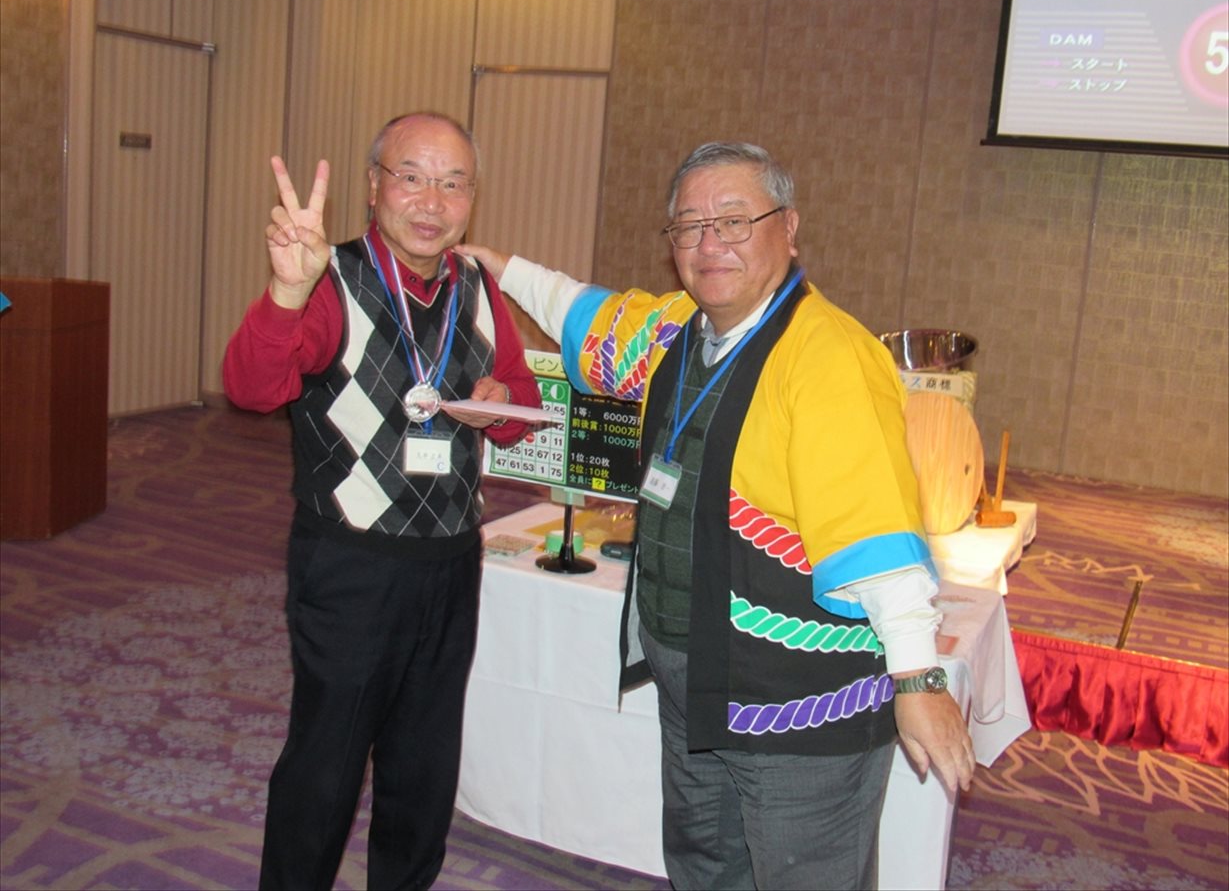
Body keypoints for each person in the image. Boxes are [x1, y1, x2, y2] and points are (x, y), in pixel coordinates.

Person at [458, 141, 976, 890]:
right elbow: (588, 313)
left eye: (733, 221)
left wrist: (918, 682)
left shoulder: (827, 356)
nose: (709, 245)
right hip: (696, 684)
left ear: (787, 227)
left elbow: (876, 534)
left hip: (799, 706)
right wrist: (497, 267)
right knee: (705, 866)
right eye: (689, 227)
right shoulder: (678, 327)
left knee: (803, 878)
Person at [223, 111, 541, 890]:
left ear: (472, 197)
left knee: (423, 767)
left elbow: (519, 406)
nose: (432, 201)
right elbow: (252, 388)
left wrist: (498, 405)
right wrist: (285, 292)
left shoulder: (476, 287)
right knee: (326, 766)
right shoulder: (328, 279)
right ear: (373, 186)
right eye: (412, 177)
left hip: (451, 562)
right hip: (351, 564)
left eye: (453, 183)